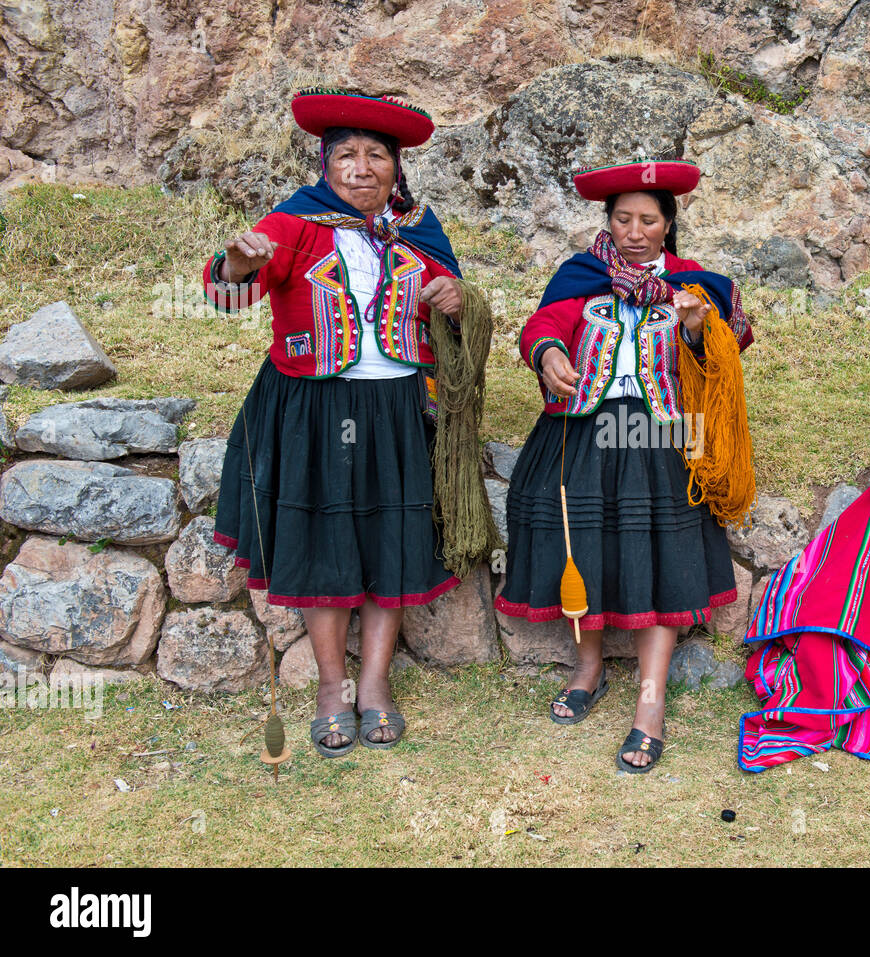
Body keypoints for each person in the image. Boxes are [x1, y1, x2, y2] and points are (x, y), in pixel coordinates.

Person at [203, 89, 471, 757]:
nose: (360, 167)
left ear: (395, 167)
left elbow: (461, 309)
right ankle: (332, 687)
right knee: (325, 541)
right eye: (346, 154)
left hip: (399, 408)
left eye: (375, 155)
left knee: (392, 537)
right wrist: (238, 263)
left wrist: (458, 299)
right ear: (325, 164)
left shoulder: (419, 229)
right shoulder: (296, 222)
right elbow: (228, 292)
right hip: (315, 408)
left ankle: (375, 683)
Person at [496, 158, 754, 773]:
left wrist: (696, 330)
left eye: (648, 220)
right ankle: (588, 668)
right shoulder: (579, 276)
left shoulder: (696, 284)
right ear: (607, 221)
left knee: (659, 559)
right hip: (584, 431)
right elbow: (544, 323)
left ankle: (651, 699)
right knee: (577, 549)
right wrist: (550, 351)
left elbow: (730, 348)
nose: (634, 231)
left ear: (668, 225)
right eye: (623, 219)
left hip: (663, 436)